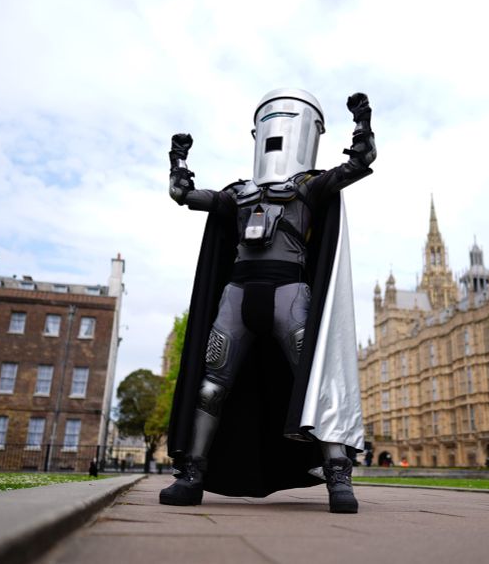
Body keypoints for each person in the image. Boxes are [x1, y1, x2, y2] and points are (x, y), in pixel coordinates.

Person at [161, 89, 376, 513]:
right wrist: (179, 166)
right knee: (212, 385)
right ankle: (193, 473)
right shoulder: (237, 194)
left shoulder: (308, 187)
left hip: (289, 294)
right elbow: (188, 197)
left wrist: (362, 123)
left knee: (315, 380)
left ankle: (337, 474)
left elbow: (357, 164)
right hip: (238, 295)